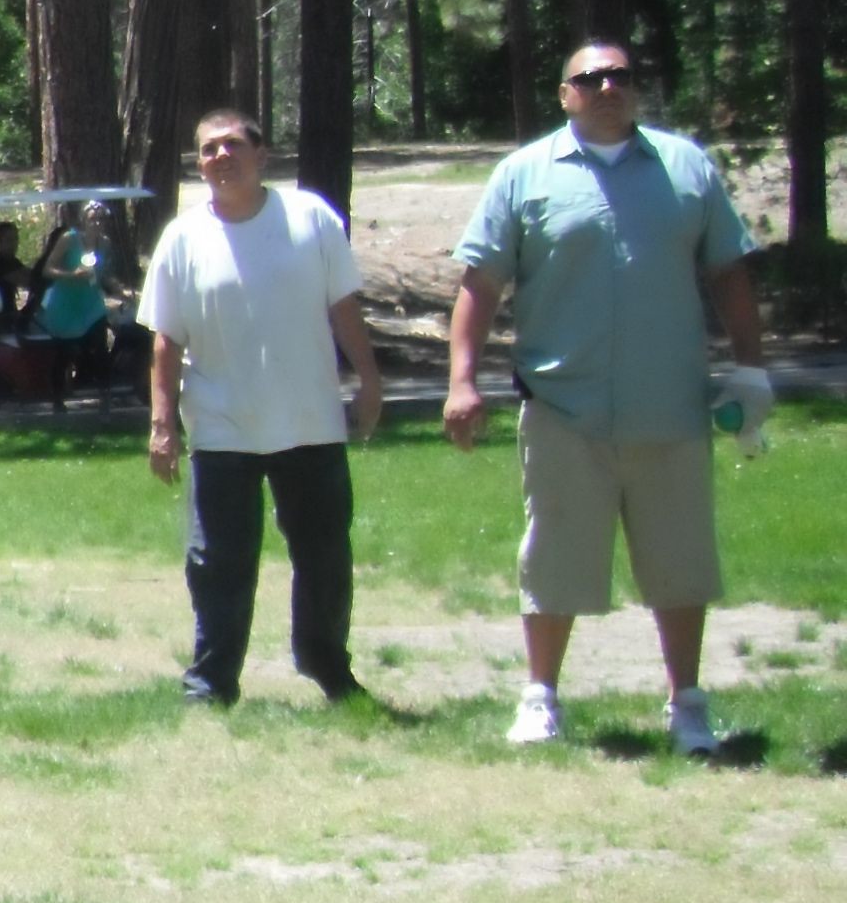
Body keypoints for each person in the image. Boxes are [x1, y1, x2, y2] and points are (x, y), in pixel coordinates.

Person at [444, 40, 771, 753]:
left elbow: (729, 274)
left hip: (671, 407)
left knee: (681, 561)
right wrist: (461, 380)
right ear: (565, 95)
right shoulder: (523, 174)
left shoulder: (686, 167)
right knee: (554, 557)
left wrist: (752, 370)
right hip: (565, 409)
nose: (606, 87)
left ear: (636, 88)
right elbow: (480, 284)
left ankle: (687, 705)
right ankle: (540, 699)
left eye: (619, 75)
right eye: (588, 78)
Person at [137, 109, 385, 705]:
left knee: (324, 555)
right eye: (207, 150)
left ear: (261, 154)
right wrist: (162, 426)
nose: (220, 158)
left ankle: (327, 665)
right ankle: (212, 682)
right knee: (219, 562)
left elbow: (343, 309)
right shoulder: (183, 237)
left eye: (231, 146)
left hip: (311, 421)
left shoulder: (311, 219)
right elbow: (166, 340)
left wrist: (370, 382)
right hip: (222, 427)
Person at [0, 221, 37, 335]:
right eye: (9, 239)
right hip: (0, 321)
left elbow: (30, 273)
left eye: (16, 239)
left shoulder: (11, 261)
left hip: (8, 317)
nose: (14, 243)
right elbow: (27, 282)